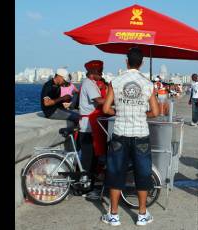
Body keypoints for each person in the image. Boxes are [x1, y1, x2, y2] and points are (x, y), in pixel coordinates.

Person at [102, 47, 159, 226]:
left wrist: (119, 113)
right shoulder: (148, 84)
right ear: (141, 63)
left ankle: (113, 215)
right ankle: (142, 215)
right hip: (140, 134)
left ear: (126, 61)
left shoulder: (115, 81)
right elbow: (155, 112)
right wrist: (142, 115)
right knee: (142, 174)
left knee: (115, 172)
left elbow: (105, 109)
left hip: (120, 133)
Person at [78, 60, 106, 192]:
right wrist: (114, 100)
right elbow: (99, 101)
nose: (101, 74)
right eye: (99, 72)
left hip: (91, 124)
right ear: (93, 72)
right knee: (88, 158)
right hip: (87, 126)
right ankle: (84, 185)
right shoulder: (88, 84)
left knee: (93, 157)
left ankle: (90, 184)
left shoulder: (92, 83)